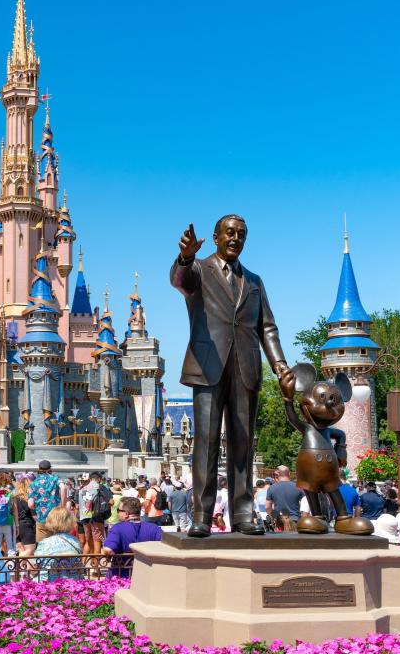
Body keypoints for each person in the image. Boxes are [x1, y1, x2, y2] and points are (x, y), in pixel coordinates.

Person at [170, 215, 294, 537]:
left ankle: (242, 513)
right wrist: (185, 257)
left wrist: (280, 366)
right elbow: (180, 281)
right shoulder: (199, 269)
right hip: (208, 366)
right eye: (229, 233)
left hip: (246, 368)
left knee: (243, 444)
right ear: (215, 237)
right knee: (207, 442)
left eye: (241, 234)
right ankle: (201, 514)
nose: (235, 238)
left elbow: (267, 327)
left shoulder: (254, 281)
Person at [103, 497, 163, 577]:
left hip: (121, 578)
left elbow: (108, 550)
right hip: (148, 576)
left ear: (126, 514)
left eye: (118, 511)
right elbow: (165, 547)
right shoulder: (154, 528)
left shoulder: (117, 528)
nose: (117, 513)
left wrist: (104, 549)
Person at [34, 506, 83, 582]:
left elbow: (36, 565)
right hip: (73, 581)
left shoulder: (44, 543)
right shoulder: (75, 541)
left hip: (48, 583)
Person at [30, 460, 66, 542]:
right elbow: (63, 488)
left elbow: (30, 504)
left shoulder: (34, 483)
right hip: (55, 517)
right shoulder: (55, 478)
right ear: (50, 469)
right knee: (56, 543)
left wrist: (38, 506)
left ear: (39, 469)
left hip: (41, 518)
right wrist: (62, 505)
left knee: (41, 546)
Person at [13, 477, 37, 559]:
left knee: (21, 550)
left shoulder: (14, 498)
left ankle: (21, 571)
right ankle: (18, 566)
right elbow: (34, 516)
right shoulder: (28, 499)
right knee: (30, 549)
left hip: (16, 525)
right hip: (26, 525)